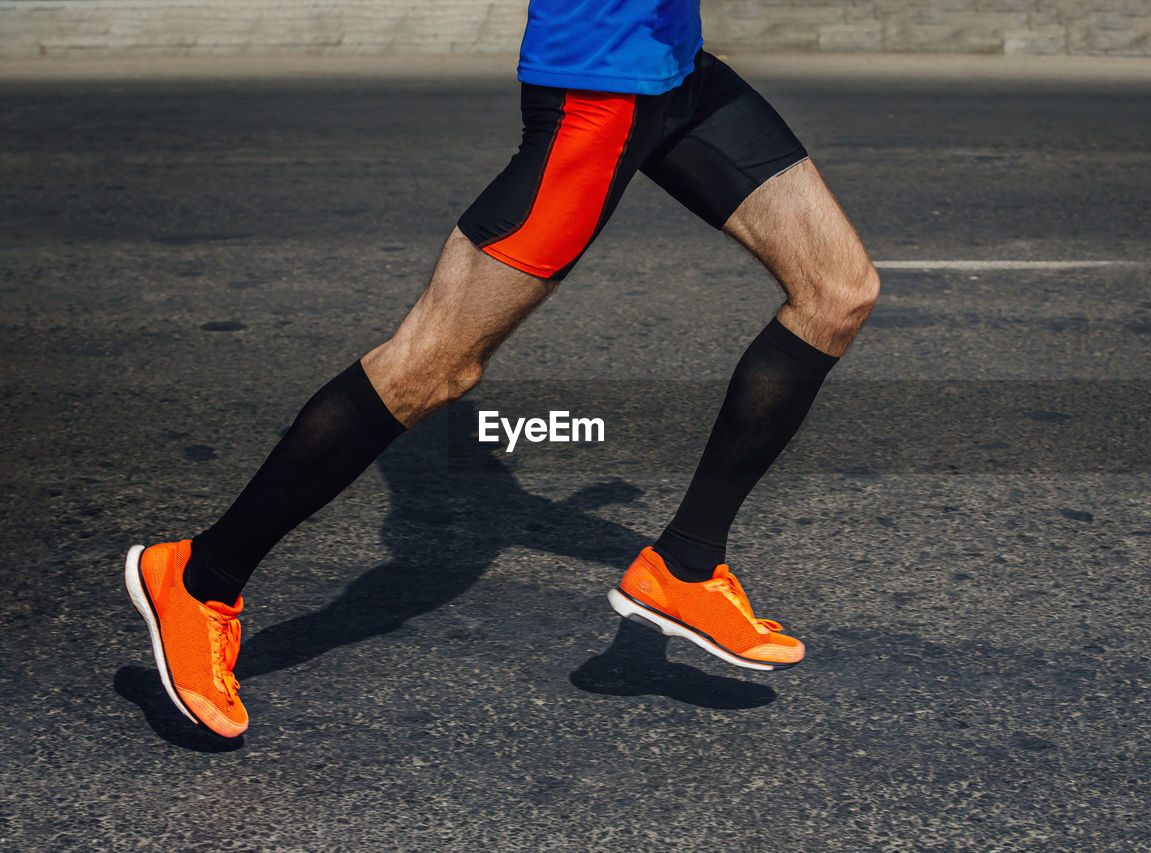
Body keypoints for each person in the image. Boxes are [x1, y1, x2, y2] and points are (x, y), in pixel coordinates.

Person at [124, 0, 880, 738]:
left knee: (837, 291)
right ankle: (198, 579)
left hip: (678, 77)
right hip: (598, 95)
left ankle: (684, 566)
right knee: (431, 367)